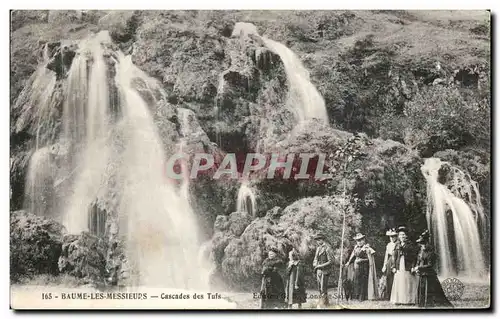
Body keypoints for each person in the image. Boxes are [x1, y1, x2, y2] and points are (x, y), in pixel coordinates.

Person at [412, 230, 453, 308]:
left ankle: (430, 303)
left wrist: (419, 267)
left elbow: (430, 265)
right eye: (420, 244)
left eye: (423, 244)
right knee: (422, 288)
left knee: (431, 291)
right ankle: (421, 303)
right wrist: (417, 268)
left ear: (426, 244)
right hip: (422, 273)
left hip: (429, 275)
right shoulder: (421, 251)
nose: (421, 246)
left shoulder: (431, 253)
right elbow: (419, 260)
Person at [345, 233, 378, 301]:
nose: (359, 242)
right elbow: (352, 256)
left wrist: (361, 260)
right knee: (357, 281)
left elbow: (369, 259)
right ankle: (356, 296)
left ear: (364, 240)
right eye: (357, 240)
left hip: (364, 267)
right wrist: (348, 262)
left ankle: (362, 297)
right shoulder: (356, 248)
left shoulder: (367, 248)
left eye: (360, 240)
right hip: (356, 267)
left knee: (363, 282)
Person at [390, 226, 418, 305]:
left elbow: (413, 257)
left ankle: (408, 300)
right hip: (399, 265)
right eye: (400, 235)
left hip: (407, 265)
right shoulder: (397, 245)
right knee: (399, 281)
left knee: (407, 282)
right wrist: (393, 266)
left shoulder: (410, 245)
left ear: (406, 236)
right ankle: (399, 300)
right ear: (398, 236)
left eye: (403, 235)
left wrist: (413, 266)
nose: (402, 236)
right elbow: (394, 256)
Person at [313, 233, 334, 307]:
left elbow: (331, 261)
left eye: (319, 240)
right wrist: (315, 264)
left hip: (325, 270)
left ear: (322, 239)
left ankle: (324, 304)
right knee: (319, 288)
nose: (318, 241)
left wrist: (320, 266)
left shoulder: (328, 248)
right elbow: (315, 258)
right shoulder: (318, 248)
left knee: (323, 288)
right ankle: (325, 302)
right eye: (317, 240)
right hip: (318, 270)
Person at [381, 228, 398, 300]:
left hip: (397, 260)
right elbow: (386, 255)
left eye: (393, 236)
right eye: (390, 237)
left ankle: (396, 295)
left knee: (396, 277)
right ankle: (389, 295)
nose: (392, 238)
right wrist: (384, 265)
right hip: (390, 260)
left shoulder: (398, 244)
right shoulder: (388, 245)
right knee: (389, 277)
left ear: (396, 236)